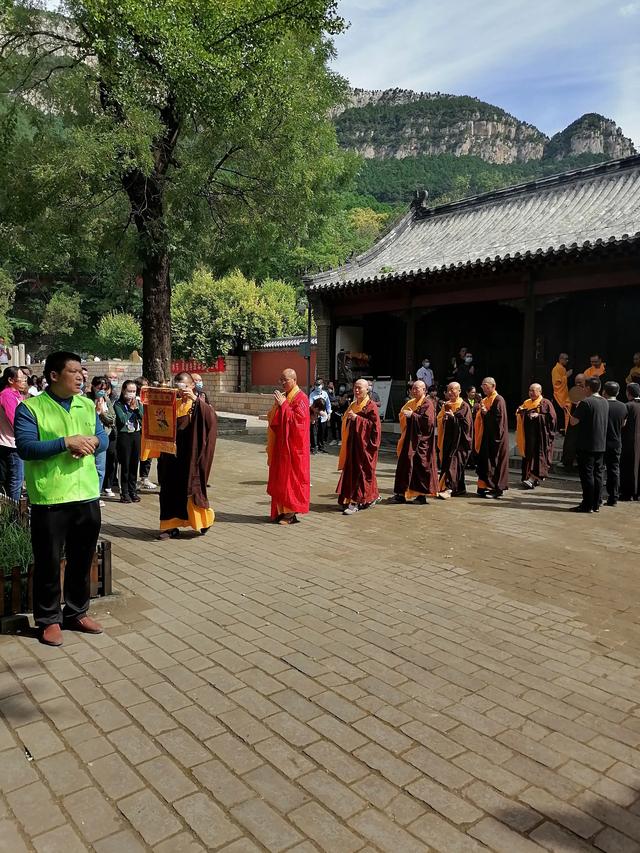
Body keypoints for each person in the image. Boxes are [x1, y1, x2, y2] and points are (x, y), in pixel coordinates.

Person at [14, 351, 107, 646]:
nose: (81, 376)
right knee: (49, 562)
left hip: (86, 495)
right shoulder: (31, 408)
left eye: (82, 371)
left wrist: (93, 441)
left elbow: (104, 438)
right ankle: (48, 620)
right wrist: (66, 443)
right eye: (74, 371)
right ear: (54, 375)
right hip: (50, 498)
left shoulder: (86, 405)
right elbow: (26, 448)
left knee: (82, 559)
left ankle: (76, 613)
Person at [157, 372, 217, 537]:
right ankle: (169, 526)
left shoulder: (198, 404)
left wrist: (195, 399)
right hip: (171, 455)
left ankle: (203, 521)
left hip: (190, 455)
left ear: (192, 386)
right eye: (177, 387)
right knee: (169, 490)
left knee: (191, 488)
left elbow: (211, 419)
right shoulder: (172, 403)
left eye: (184, 386)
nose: (180, 390)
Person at [266, 368, 310, 524]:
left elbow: (299, 424)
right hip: (282, 446)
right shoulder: (285, 396)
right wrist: (277, 408)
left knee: (291, 480)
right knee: (280, 478)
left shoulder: (301, 398)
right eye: (281, 380)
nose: (283, 383)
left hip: (294, 448)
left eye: (286, 380)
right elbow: (275, 420)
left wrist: (283, 405)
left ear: (295, 380)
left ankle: (290, 514)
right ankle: (280, 511)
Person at [337, 378, 381, 515]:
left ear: (367, 389)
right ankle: (365, 497)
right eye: (355, 387)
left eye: (359, 388)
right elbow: (346, 419)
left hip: (364, 447)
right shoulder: (353, 404)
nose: (356, 390)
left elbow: (375, 427)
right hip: (353, 445)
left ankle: (356, 502)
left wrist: (357, 419)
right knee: (352, 471)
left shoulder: (371, 406)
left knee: (361, 473)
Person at [393, 379, 437, 505]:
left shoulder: (427, 403)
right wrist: (407, 415)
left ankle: (421, 496)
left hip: (421, 442)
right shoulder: (411, 402)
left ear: (424, 390)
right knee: (404, 465)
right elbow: (402, 415)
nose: (414, 390)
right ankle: (401, 494)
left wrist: (412, 415)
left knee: (420, 466)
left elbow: (428, 422)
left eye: (417, 388)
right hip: (409, 439)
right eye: (413, 388)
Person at [569, 376, 608, 513]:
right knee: (598, 474)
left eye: (584, 387)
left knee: (587, 475)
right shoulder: (605, 402)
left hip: (587, 444)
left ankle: (587, 504)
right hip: (601, 444)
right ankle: (596, 503)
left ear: (588, 388)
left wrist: (571, 409)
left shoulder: (585, 403)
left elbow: (573, 422)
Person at [516, 383, 557, 489]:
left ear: (540, 391)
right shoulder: (527, 402)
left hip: (540, 437)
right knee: (528, 456)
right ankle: (528, 478)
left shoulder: (545, 403)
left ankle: (532, 479)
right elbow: (522, 414)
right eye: (530, 390)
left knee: (538, 457)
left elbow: (552, 419)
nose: (531, 393)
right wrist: (521, 412)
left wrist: (539, 416)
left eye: (533, 390)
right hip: (528, 435)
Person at [475, 377, 509, 498]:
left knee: (495, 462)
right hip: (486, 435)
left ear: (493, 386)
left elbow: (498, 420)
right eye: (482, 386)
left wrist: (486, 413)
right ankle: (484, 486)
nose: (483, 388)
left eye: (486, 385)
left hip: (496, 438)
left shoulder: (498, 399)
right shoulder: (486, 399)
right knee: (485, 462)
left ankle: (496, 489)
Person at [437, 381, 473, 498]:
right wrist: (444, 419)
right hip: (449, 440)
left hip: (460, 442)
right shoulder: (446, 405)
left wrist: (453, 418)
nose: (450, 392)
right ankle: (459, 489)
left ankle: (448, 489)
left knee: (454, 464)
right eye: (449, 390)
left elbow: (467, 425)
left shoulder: (464, 405)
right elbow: (440, 419)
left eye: (453, 390)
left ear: (459, 391)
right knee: (451, 464)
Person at [88, 376, 116, 506]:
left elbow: (112, 418)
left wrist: (102, 413)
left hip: (102, 437)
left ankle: (96, 495)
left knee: (100, 468)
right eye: (99, 388)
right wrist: (96, 412)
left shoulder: (106, 400)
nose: (102, 391)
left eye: (104, 389)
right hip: (88, 437)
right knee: (88, 467)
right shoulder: (86, 399)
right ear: (93, 387)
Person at [114, 380, 143, 503]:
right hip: (124, 435)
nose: (132, 394)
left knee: (134, 464)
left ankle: (132, 490)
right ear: (123, 391)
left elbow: (143, 417)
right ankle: (124, 492)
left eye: (134, 391)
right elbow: (121, 420)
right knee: (125, 464)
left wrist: (137, 409)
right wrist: (130, 409)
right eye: (129, 391)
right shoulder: (118, 404)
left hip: (136, 434)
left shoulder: (138, 403)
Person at [0, 367, 27, 501]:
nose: (24, 381)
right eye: (22, 379)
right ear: (11, 380)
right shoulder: (7, 395)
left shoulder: (16, 395)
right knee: (15, 481)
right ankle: (13, 510)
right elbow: (14, 420)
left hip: (14, 442)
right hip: (11, 444)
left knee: (14, 480)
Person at [602, 381, 627, 507]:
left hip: (601, 442)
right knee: (614, 470)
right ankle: (613, 498)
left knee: (599, 470)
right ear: (617, 392)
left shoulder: (602, 404)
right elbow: (623, 424)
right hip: (616, 442)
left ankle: (597, 498)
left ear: (604, 392)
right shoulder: (623, 406)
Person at [135, 376, 157, 490]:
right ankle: (133, 480)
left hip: (148, 430)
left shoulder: (149, 398)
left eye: (146, 385)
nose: (145, 387)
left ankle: (144, 478)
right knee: (136, 456)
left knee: (147, 456)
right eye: (143, 385)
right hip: (137, 431)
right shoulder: (134, 399)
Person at [562, 372, 586, 471]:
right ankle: (568, 463)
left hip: (583, 424)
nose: (578, 384)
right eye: (576, 382)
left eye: (580, 382)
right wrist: (567, 405)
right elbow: (567, 403)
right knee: (570, 443)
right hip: (572, 422)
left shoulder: (588, 393)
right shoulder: (573, 392)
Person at [620, 383, 640, 501]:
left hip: (629, 442)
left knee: (628, 467)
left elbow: (622, 424)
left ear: (628, 393)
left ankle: (627, 493)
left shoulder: (627, 406)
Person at [551, 353, 573, 432]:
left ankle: (564, 429)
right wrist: (566, 376)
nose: (567, 360)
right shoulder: (556, 369)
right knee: (559, 413)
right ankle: (558, 430)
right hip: (558, 395)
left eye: (567, 359)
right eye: (565, 359)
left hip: (564, 394)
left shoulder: (562, 368)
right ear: (560, 359)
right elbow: (556, 383)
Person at [309, 378, 331, 452]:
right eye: (316, 385)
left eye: (319, 385)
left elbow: (328, 404)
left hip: (323, 416)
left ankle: (321, 446)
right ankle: (313, 447)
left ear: (322, 385)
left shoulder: (325, 394)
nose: (317, 386)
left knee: (322, 432)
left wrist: (329, 413)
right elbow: (310, 405)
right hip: (315, 416)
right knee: (314, 432)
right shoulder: (312, 394)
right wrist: (316, 412)